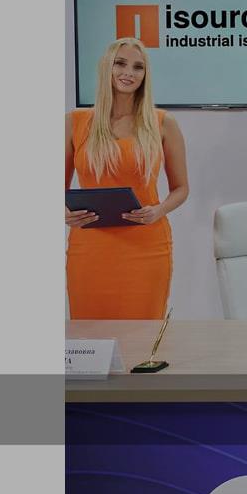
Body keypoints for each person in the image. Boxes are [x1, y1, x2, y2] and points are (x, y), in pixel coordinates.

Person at [66, 37, 189, 319]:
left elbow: (181, 188)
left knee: (142, 334)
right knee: (90, 333)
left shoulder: (162, 122)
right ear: (106, 68)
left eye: (138, 67)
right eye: (120, 64)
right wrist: (65, 213)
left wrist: (159, 210)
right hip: (90, 247)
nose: (128, 73)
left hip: (146, 246)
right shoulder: (75, 122)